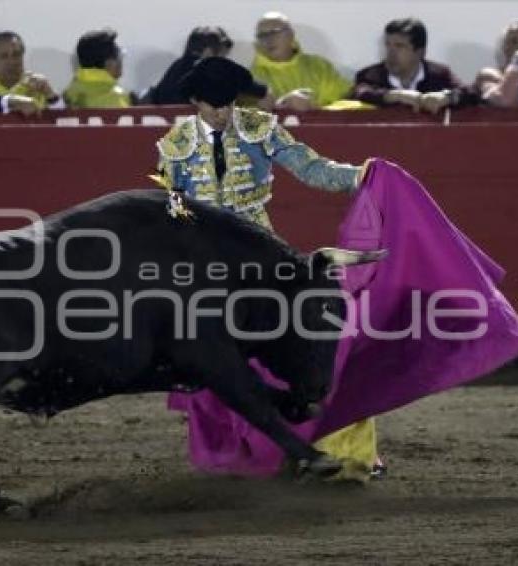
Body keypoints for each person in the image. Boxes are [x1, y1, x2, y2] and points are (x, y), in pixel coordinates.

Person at [154, 56, 381, 481]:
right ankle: (240, 455)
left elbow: (311, 167)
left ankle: (344, 447)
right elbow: (174, 204)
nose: (222, 114)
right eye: (212, 106)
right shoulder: (175, 143)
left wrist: (360, 177)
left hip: (263, 252)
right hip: (207, 263)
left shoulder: (259, 127)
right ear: (194, 102)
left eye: (227, 105)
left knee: (320, 324)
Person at [352, 18, 478, 114]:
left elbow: (471, 94)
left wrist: (446, 97)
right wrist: (396, 95)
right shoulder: (370, 75)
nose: (391, 53)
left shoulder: (439, 74)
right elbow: (360, 93)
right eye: (388, 45)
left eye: (399, 46)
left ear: (420, 52)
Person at [141, 26, 271, 108]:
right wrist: (264, 92)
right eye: (222, 56)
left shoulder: (175, 68)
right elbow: (243, 83)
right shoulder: (206, 67)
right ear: (208, 51)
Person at [250, 12, 353, 111]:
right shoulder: (251, 78)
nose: (269, 40)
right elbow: (244, 119)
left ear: (291, 34)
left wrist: (314, 107)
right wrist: (280, 104)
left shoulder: (318, 66)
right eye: (262, 36)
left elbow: (348, 103)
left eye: (274, 32)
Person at [63, 28, 132, 108]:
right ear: (109, 63)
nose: (121, 62)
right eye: (118, 58)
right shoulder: (117, 98)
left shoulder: (69, 94)